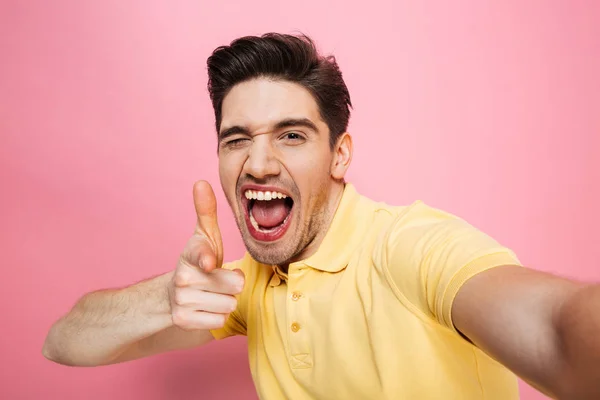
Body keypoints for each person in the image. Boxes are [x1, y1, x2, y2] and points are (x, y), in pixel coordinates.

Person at [43, 33, 599, 400]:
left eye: (291, 135)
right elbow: (64, 342)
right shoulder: (246, 289)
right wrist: (166, 296)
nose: (257, 164)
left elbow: (557, 330)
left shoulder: (409, 248)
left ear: (340, 155)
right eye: (237, 140)